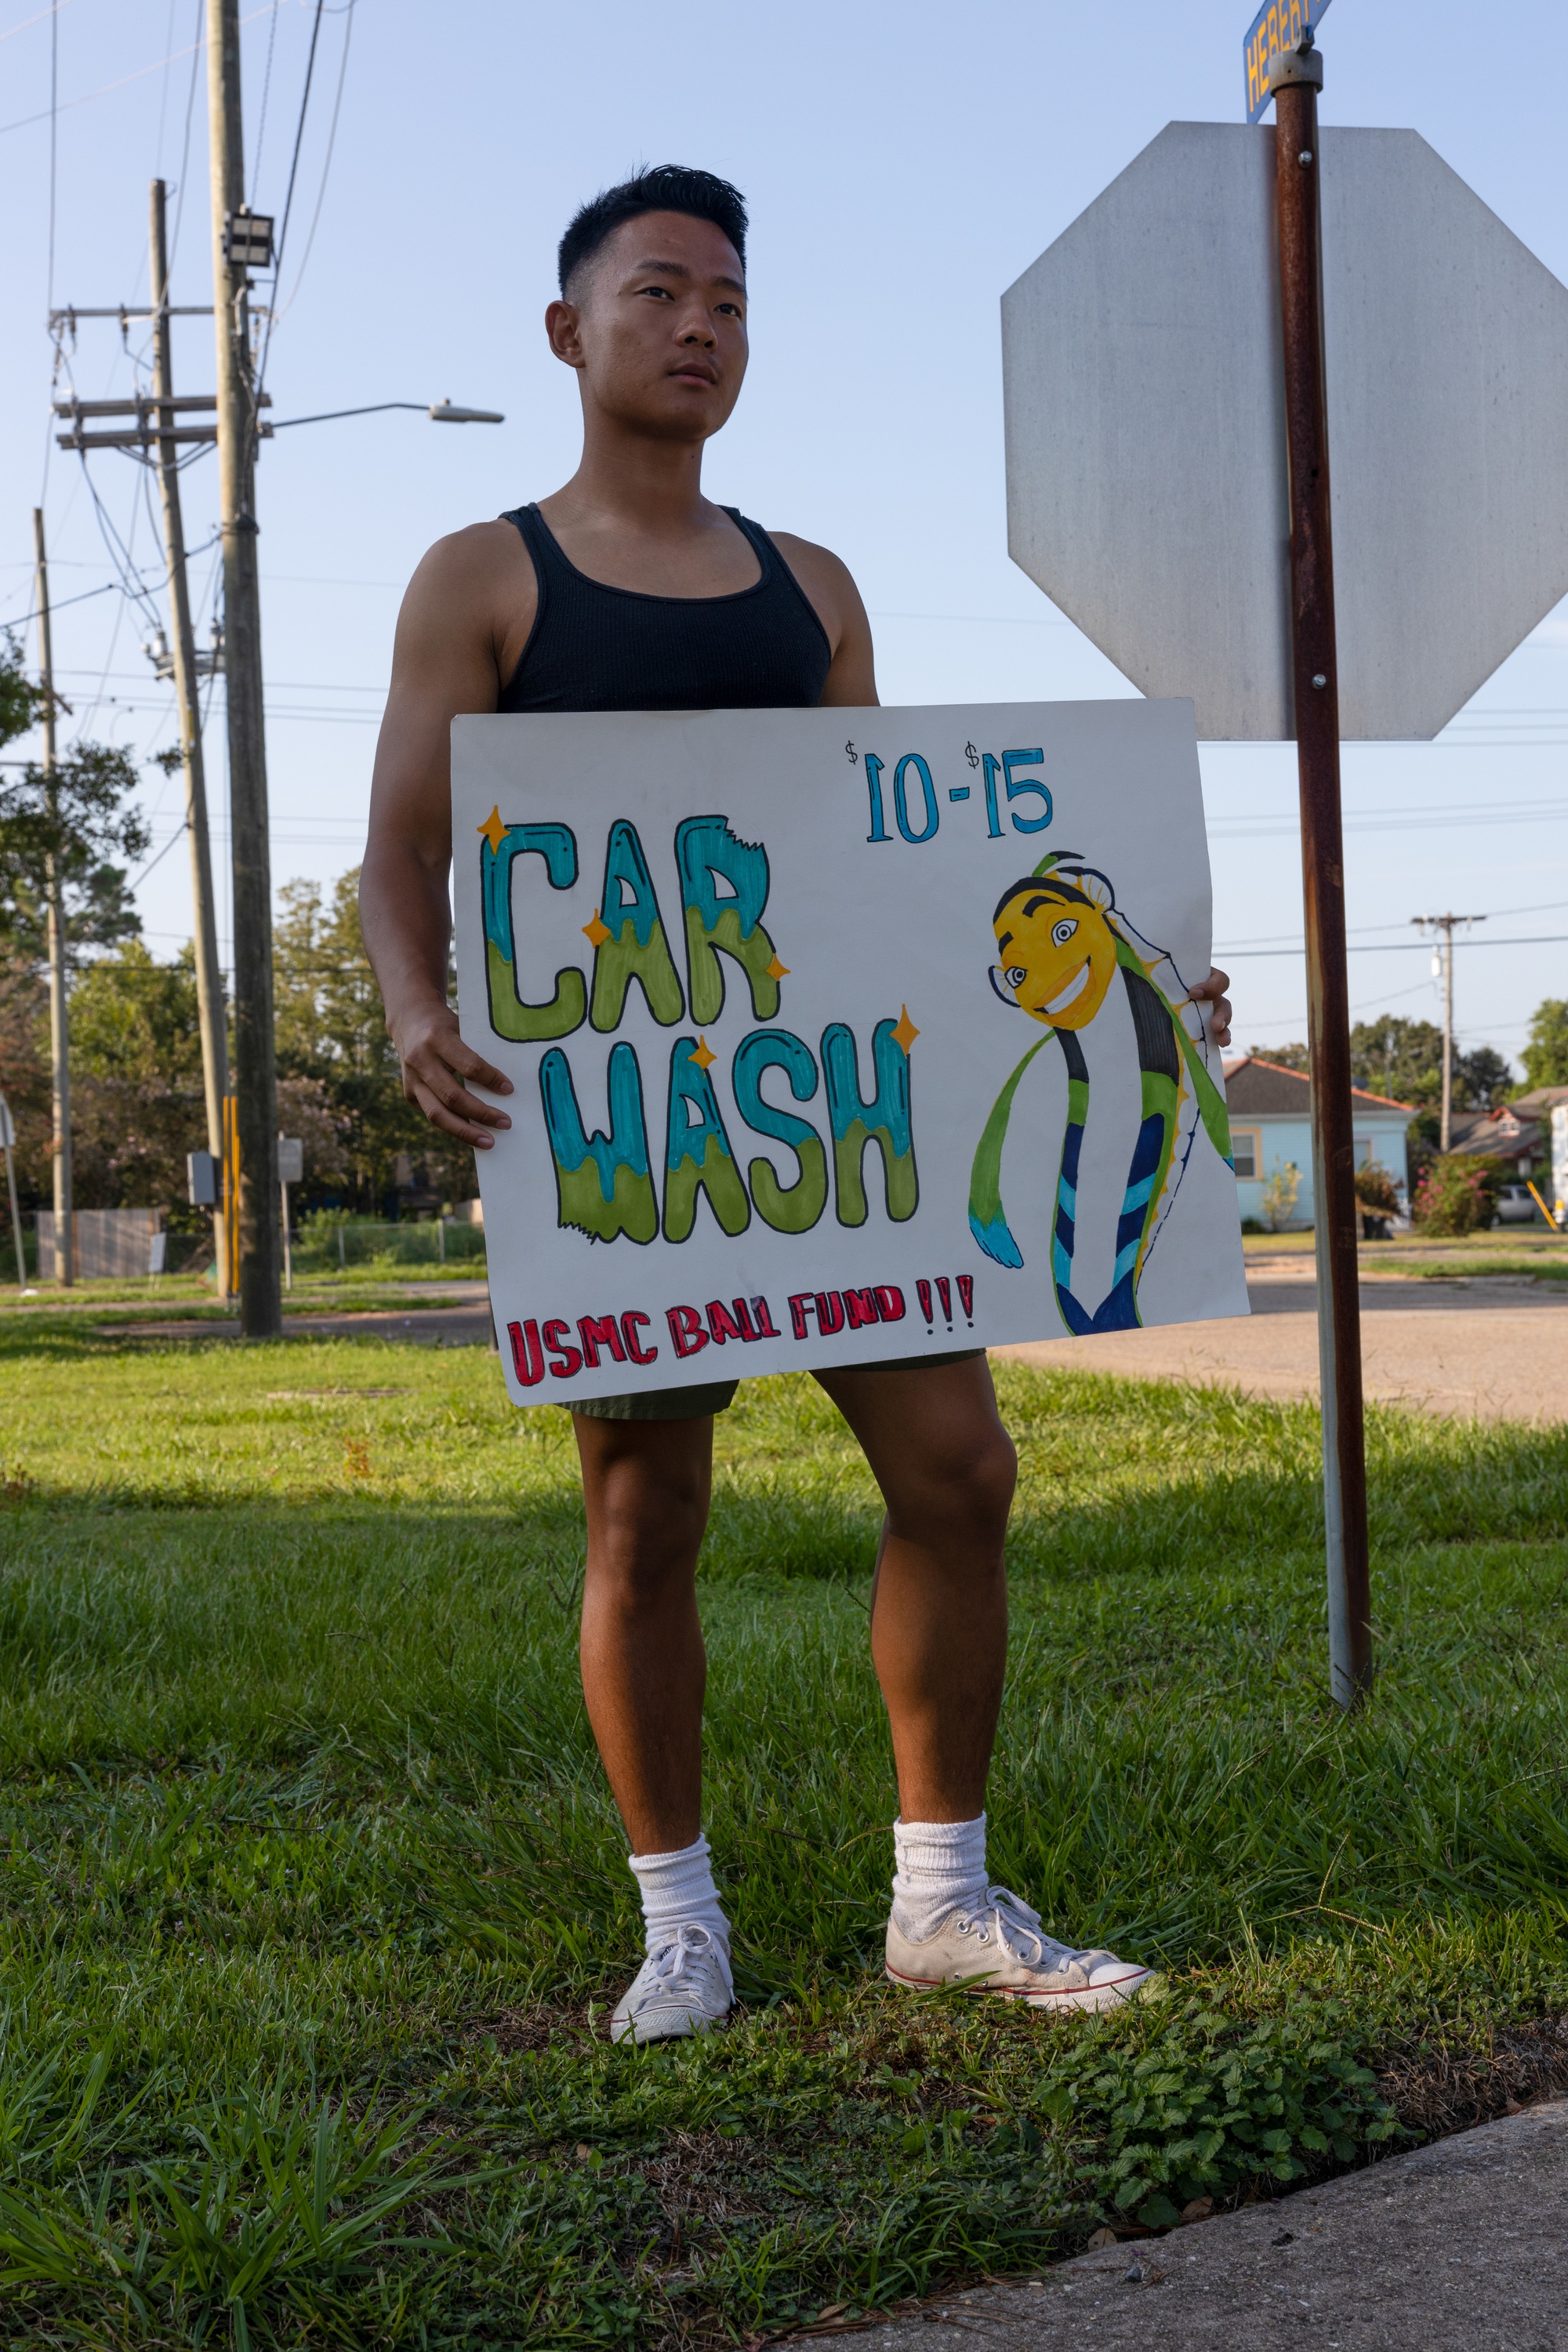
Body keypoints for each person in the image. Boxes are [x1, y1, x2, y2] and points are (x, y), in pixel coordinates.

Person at [360, 165, 1233, 2045]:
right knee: (642, 1513)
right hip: (630, 1149)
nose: (700, 328)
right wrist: (420, 1006)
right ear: (566, 329)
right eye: (660, 291)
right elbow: (399, 851)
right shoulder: (485, 576)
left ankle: (942, 1899)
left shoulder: (810, 585)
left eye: (731, 304)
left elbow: (885, 894)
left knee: (961, 1471)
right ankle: (679, 1924)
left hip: (833, 1140)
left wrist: (1144, 984)